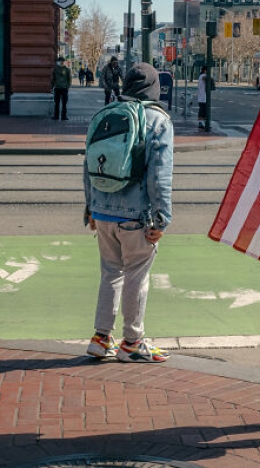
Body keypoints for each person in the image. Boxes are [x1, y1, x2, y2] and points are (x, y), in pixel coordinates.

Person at [83, 62, 174, 363]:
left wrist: (91, 208)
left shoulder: (105, 114)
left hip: (102, 212)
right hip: (136, 216)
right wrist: (161, 218)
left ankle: (101, 338)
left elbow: (88, 167)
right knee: (136, 274)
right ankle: (132, 342)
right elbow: (160, 175)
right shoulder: (158, 120)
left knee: (110, 272)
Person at [50, 55, 72, 121]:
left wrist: (68, 86)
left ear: (64, 62)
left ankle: (64, 116)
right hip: (57, 88)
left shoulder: (67, 70)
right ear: (58, 62)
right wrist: (52, 87)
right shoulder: (55, 70)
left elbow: (69, 79)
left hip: (64, 88)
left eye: (62, 61)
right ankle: (56, 116)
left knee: (64, 103)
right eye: (60, 61)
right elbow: (53, 79)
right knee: (56, 103)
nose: (61, 62)